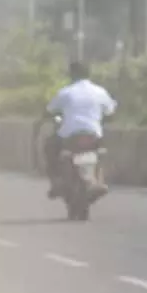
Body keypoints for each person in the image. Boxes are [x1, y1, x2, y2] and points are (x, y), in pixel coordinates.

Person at [42, 61, 116, 199]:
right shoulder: (100, 91)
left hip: (69, 136)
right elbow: (111, 111)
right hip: (93, 135)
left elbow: (49, 110)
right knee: (102, 153)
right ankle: (99, 180)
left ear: (72, 74)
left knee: (49, 147)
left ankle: (55, 183)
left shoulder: (65, 92)